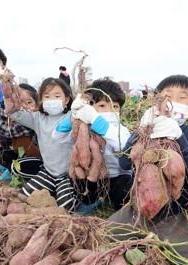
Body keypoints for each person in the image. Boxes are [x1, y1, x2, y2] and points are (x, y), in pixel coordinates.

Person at [109, 74, 188, 263]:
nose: (173, 101)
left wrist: (177, 135)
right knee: (106, 237)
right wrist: (141, 132)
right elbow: (123, 163)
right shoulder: (146, 131)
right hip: (137, 209)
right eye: (168, 96)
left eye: (182, 97)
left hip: (177, 213)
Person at [0, 78, 77, 210]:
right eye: (47, 96)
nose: (51, 100)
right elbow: (15, 114)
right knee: (23, 196)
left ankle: (66, 193)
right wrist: (7, 91)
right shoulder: (38, 118)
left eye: (57, 96)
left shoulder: (72, 117)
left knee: (66, 206)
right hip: (48, 172)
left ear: (66, 100)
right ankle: (51, 190)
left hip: (68, 175)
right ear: (42, 100)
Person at [54, 79, 132, 214]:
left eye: (115, 106)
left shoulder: (119, 130)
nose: (110, 111)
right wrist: (73, 115)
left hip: (117, 177)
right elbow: (57, 136)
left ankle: (119, 207)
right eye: (102, 106)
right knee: (80, 181)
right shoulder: (83, 128)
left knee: (123, 194)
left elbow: (122, 145)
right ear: (90, 107)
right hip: (92, 176)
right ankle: (92, 200)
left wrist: (96, 120)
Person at [0, 83, 42, 182]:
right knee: (5, 147)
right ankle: (12, 168)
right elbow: (3, 112)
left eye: (29, 102)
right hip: (25, 155)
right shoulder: (16, 115)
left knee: (9, 138)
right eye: (20, 102)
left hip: (40, 161)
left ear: (37, 105)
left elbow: (5, 130)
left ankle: (28, 175)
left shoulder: (33, 120)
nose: (25, 106)